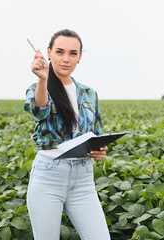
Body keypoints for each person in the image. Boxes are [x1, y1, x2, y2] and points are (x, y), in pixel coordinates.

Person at [24, 29, 111, 240]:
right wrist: (43, 79)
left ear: (80, 57)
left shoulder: (89, 93)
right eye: (60, 51)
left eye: (73, 53)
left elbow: (96, 133)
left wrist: (100, 150)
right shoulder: (38, 88)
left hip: (83, 179)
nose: (66, 59)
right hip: (49, 176)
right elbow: (39, 110)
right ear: (48, 53)